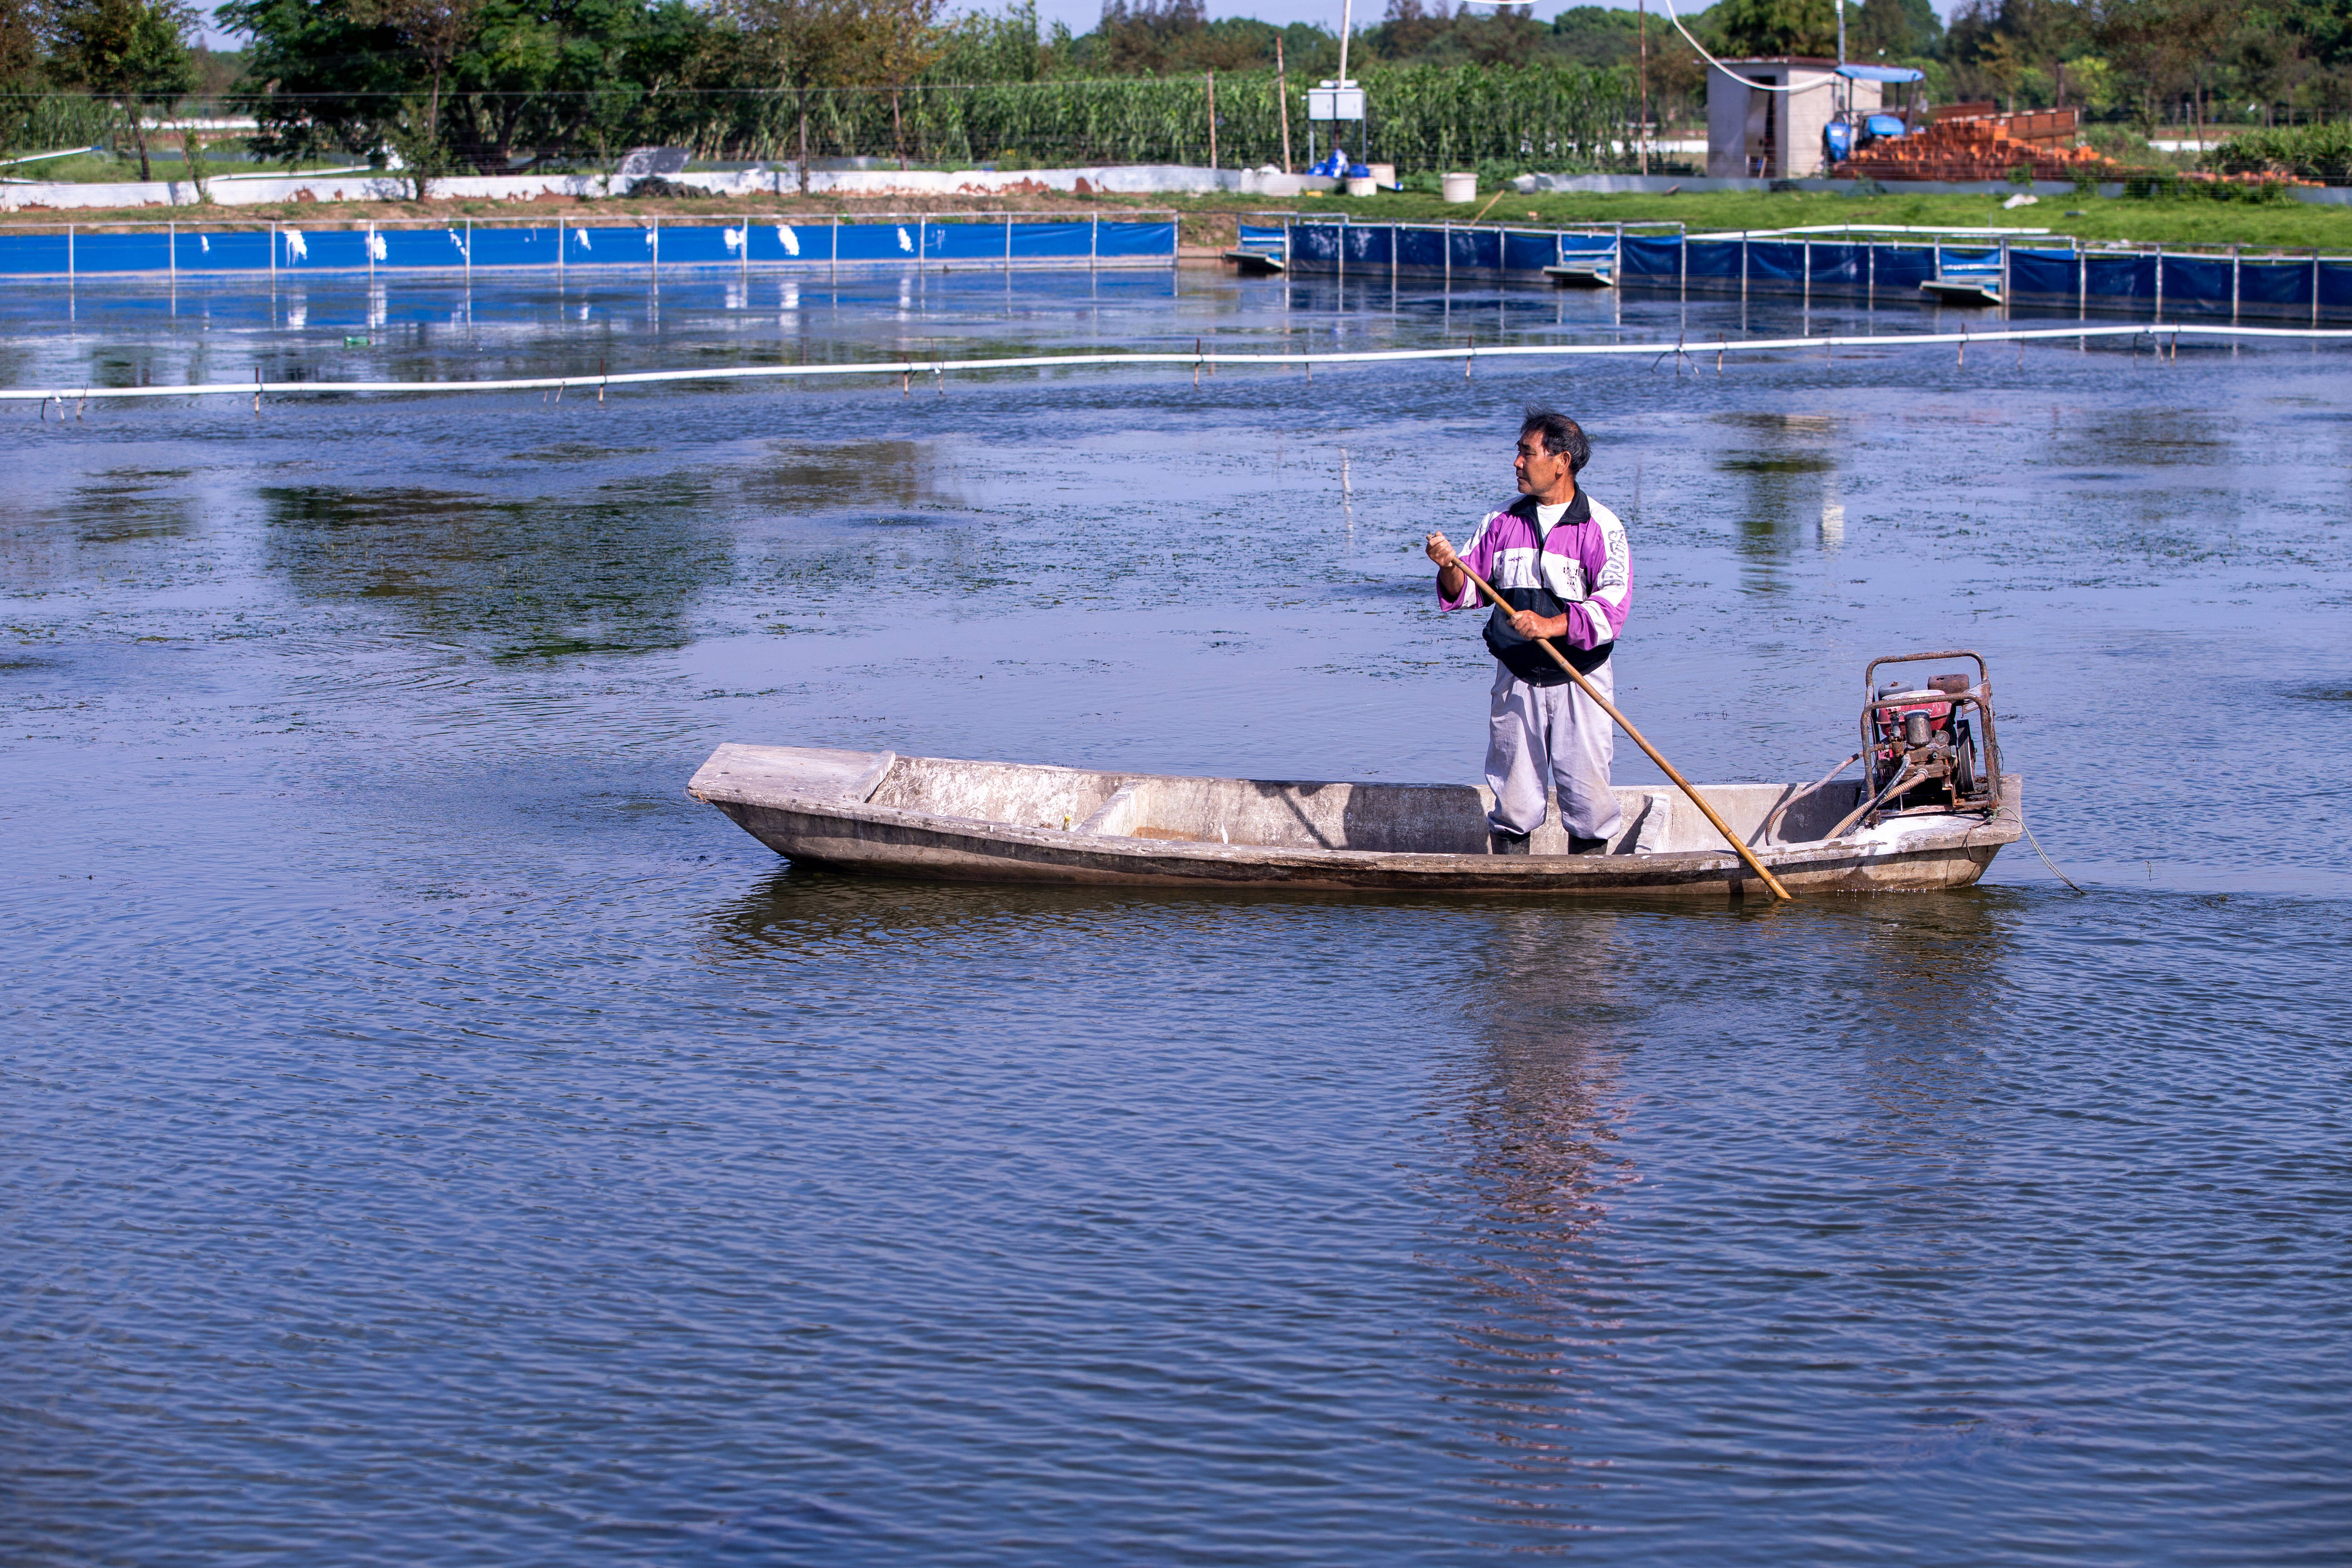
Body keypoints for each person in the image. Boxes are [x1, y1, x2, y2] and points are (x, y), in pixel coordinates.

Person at [1425, 408, 1632, 856]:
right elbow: (1466, 593)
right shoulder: (1501, 521)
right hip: (1517, 676)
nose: (1516, 463)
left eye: (1526, 453)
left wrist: (1550, 625)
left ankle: (1587, 908)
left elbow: (1610, 612)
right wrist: (1448, 569)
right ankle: (1514, 909)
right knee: (1515, 802)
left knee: (1589, 803)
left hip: (1581, 677)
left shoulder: (1602, 527)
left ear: (1561, 461)